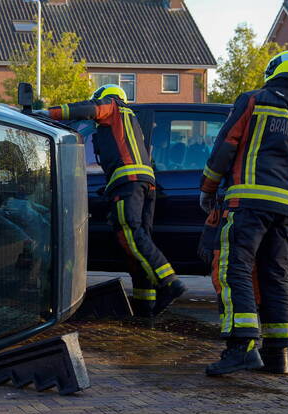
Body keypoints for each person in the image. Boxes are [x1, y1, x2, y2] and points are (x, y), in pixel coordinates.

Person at [198, 50, 288, 376]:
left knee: (233, 270)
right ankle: (277, 355)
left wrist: (208, 188)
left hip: (247, 203)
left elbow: (226, 144)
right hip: (284, 211)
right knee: (276, 275)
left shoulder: (254, 100)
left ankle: (241, 348)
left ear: (276, 70)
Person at [46, 84, 187, 317]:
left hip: (128, 183)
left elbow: (87, 109)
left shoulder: (112, 107)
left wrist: (46, 113)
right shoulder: (131, 122)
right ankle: (145, 306)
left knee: (130, 233)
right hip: (144, 185)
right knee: (138, 242)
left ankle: (169, 282)